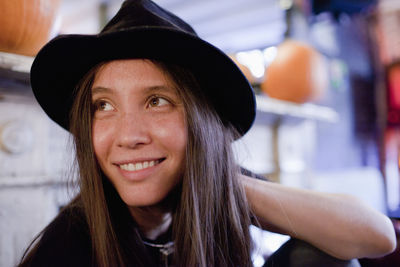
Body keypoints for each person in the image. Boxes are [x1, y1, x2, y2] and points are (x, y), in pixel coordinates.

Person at [19, 0, 396, 266]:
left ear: (202, 122)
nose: (128, 136)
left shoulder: (217, 184)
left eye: (157, 101)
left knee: (317, 257)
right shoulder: (66, 247)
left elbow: (378, 236)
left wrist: (220, 186)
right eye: (103, 106)